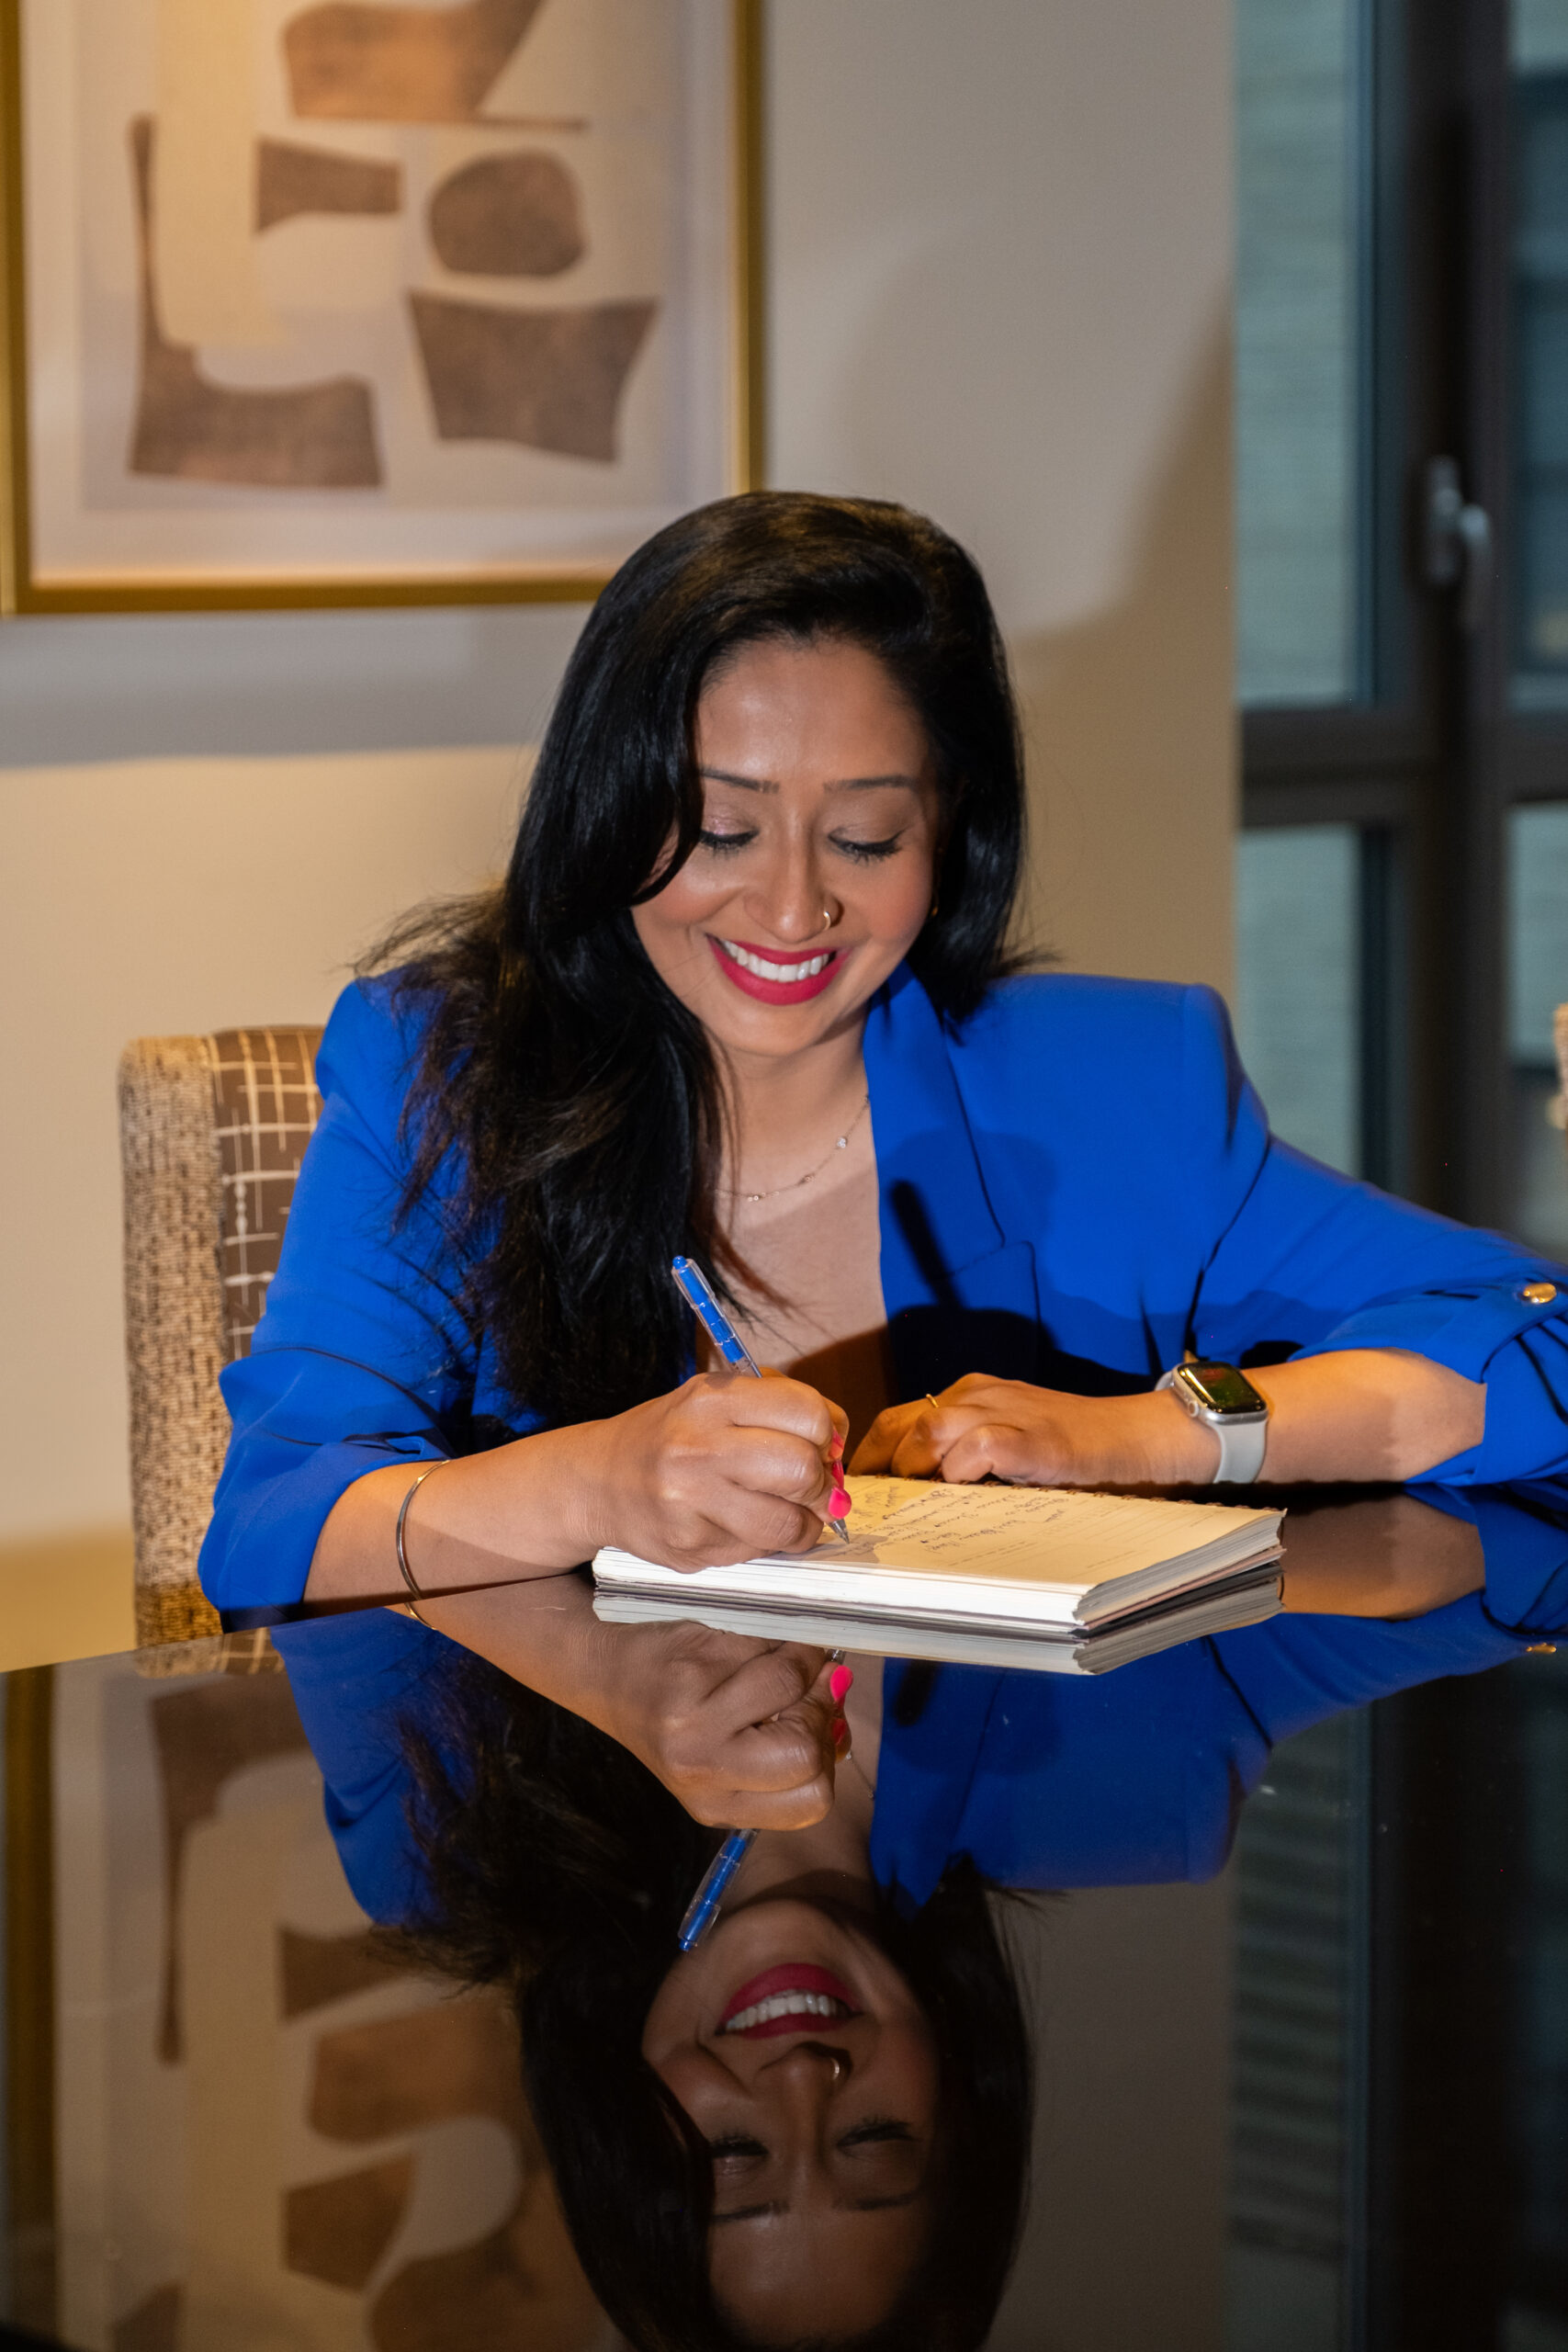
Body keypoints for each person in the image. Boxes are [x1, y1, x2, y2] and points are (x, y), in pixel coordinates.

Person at [199, 490, 1568, 2344]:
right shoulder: (445, 1068)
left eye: (863, 833)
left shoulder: (1107, 1088)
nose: (790, 907)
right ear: (610, 805)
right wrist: (591, 1481)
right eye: (719, 825)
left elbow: (1530, 1347)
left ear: (949, 835)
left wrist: (1157, 1436)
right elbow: (279, 1516)